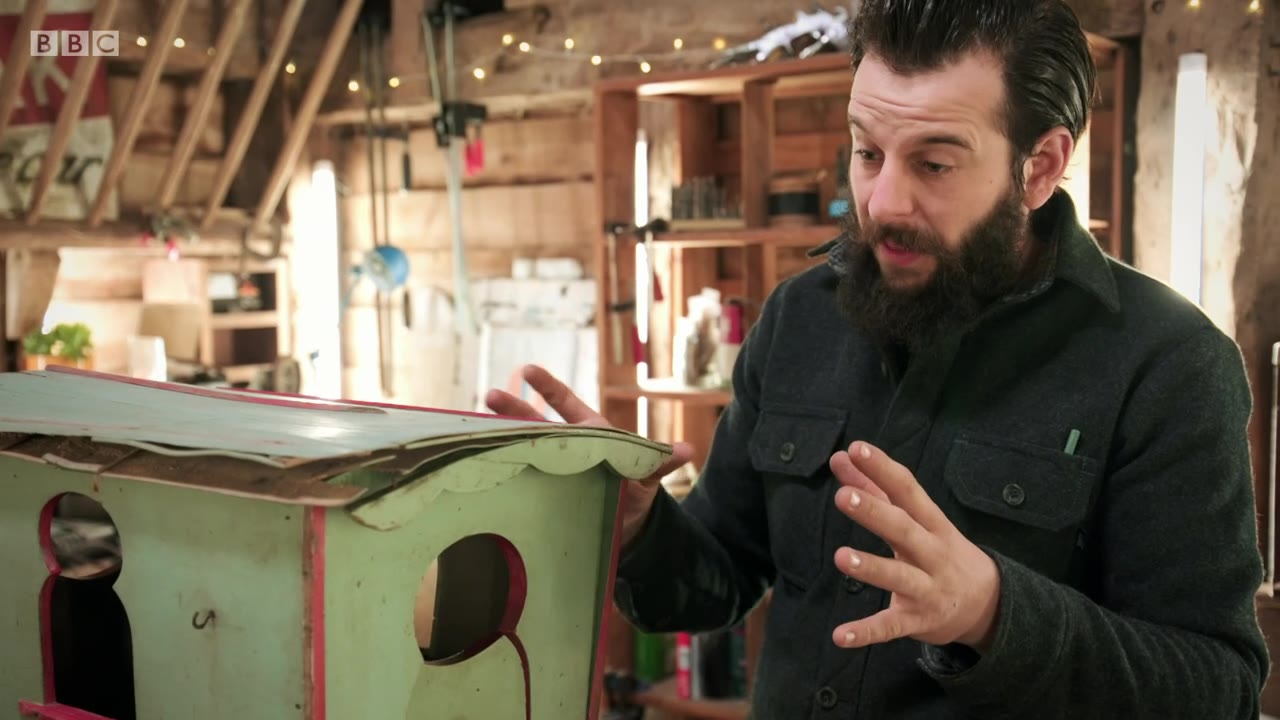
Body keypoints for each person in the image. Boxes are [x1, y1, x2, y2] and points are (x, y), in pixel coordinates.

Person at [486, 1, 1271, 717]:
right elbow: (718, 577)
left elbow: (1217, 687)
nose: (883, 203)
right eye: (867, 152)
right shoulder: (798, 317)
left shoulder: (1168, 365)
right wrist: (639, 527)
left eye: (934, 164)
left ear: (1038, 167)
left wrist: (996, 614)